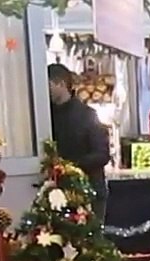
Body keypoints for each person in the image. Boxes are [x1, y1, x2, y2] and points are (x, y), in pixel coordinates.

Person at [48, 63, 111, 217]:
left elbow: (102, 154)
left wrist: (71, 166)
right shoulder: (46, 117)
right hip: (59, 193)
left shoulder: (87, 115)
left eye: (48, 85)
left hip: (90, 191)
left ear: (61, 84)